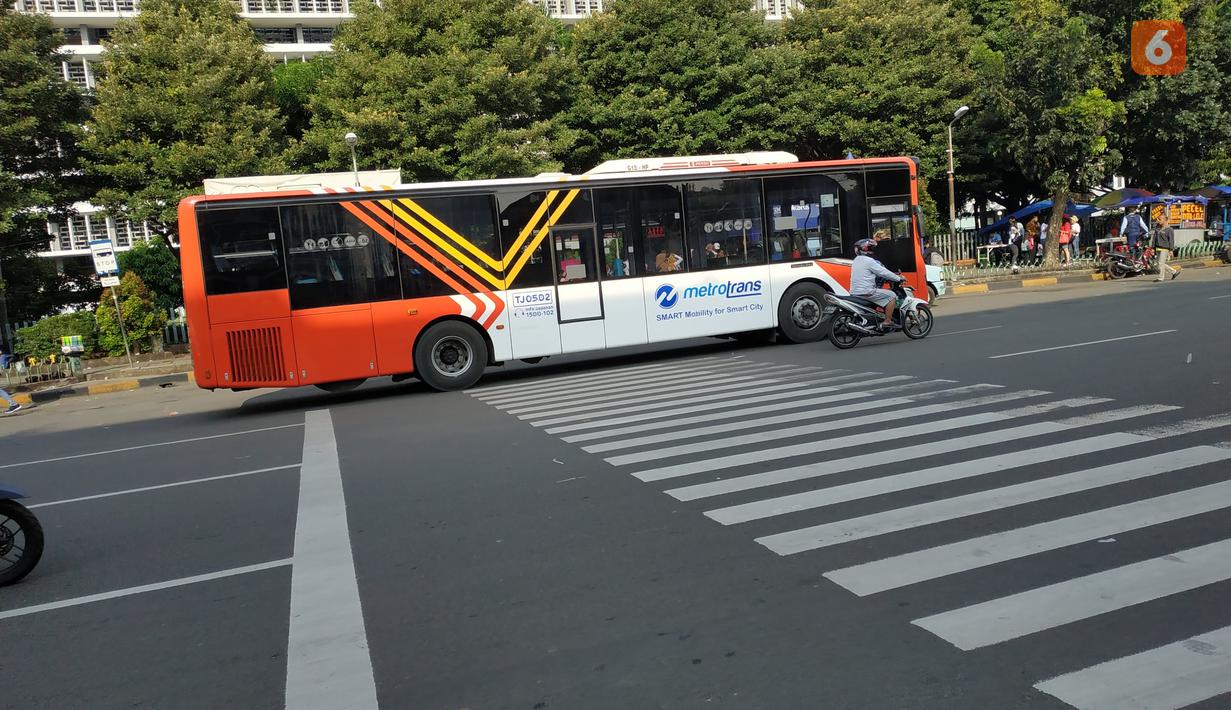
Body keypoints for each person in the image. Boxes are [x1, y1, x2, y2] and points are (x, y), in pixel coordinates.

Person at [850, 238, 903, 332]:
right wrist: (898, 278)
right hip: (867, 291)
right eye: (871, 248)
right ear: (866, 249)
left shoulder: (856, 261)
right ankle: (887, 321)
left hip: (854, 292)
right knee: (892, 296)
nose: (873, 250)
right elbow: (884, 272)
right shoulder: (869, 261)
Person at [1152, 212, 1179, 282]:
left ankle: (1160, 278)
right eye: (1157, 219)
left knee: (1161, 263)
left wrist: (1171, 250)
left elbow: (1171, 240)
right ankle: (1174, 272)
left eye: (1160, 219)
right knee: (1158, 264)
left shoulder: (1169, 229)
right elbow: (1154, 238)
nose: (1158, 220)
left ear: (1165, 220)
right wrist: (1153, 248)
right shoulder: (1157, 228)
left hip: (1165, 248)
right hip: (1158, 248)